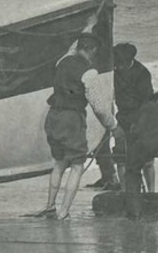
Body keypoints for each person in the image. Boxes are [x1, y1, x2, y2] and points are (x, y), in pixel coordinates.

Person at [39, 34, 115, 219]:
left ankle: (50, 206)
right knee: (77, 166)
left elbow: (73, 48)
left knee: (59, 164)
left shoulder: (62, 61)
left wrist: (88, 26)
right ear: (91, 50)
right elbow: (98, 105)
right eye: (94, 53)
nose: (93, 58)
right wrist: (111, 124)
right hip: (71, 119)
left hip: (53, 116)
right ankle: (63, 212)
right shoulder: (88, 72)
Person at [93, 41, 155, 191]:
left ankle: (152, 192)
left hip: (141, 117)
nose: (118, 66)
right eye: (117, 63)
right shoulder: (115, 71)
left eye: (121, 63)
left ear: (129, 60)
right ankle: (125, 191)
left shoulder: (142, 73)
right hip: (122, 118)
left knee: (147, 160)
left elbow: (148, 101)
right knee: (120, 158)